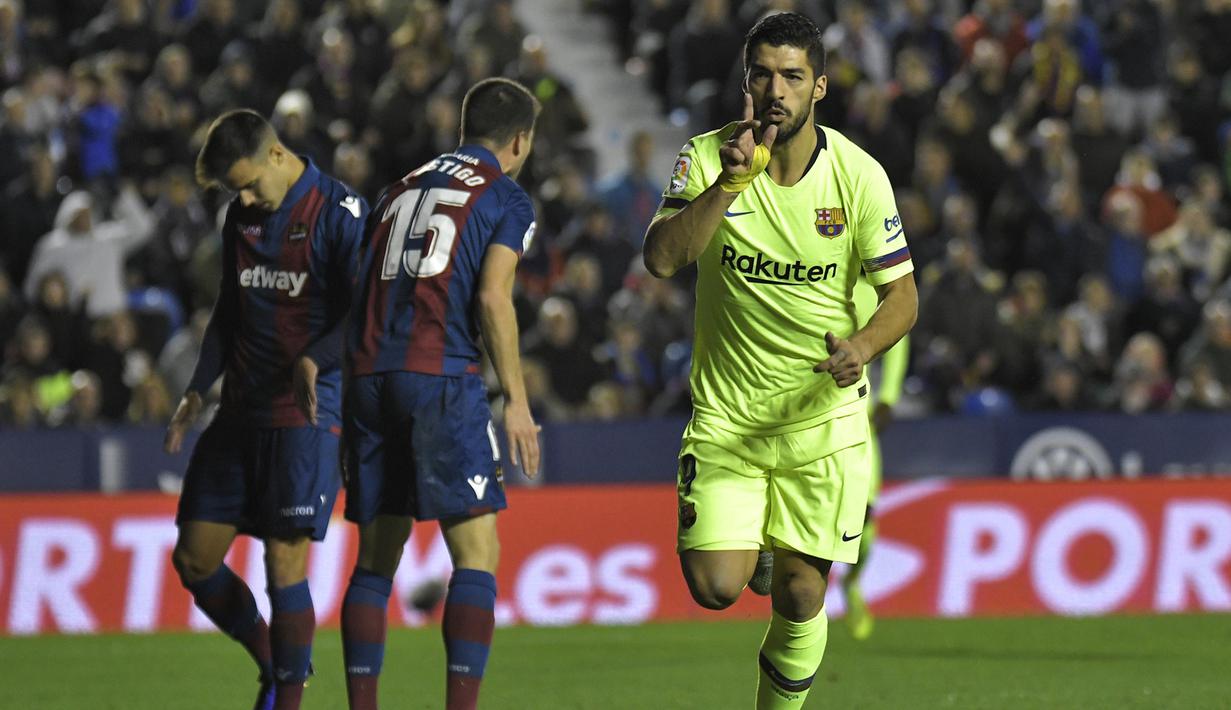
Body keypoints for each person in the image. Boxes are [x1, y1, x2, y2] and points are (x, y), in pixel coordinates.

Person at [642, 13, 917, 709]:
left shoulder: (858, 177)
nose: (776, 90)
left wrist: (861, 346)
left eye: (792, 76)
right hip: (728, 420)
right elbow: (661, 258)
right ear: (745, 81)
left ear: (818, 86)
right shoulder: (707, 157)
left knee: (800, 591)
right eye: (762, 74)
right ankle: (756, 546)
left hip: (820, 424)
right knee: (714, 588)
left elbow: (902, 296)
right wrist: (730, 185)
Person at [340, 78, 541, 710]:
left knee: (376, 559)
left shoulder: (396, 188)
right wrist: (517, 399)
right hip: (440, 376)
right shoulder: (505, 195)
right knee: (477, 554)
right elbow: (491, 295)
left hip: (370, 375)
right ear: (519, 140)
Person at [163, 109, 368, 710]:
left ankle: (287, 694)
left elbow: (363, 316)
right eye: (236, 190)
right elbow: (229, 310)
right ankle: (276, 664)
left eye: (250, 182)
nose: (246, 197)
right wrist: (198, 387)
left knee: (284, 563)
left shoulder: (339, 214)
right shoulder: (241, 217)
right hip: (238, 412)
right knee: (194, 559)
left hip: (305, 413)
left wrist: (314, 360)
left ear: (277, 154)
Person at [841, 275, 910, 641]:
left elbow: (897, 336)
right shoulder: (814, 274)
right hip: (802, 422)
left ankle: (851, 583)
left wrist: (889, 397)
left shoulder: (871, 290)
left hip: (857, 422)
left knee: (864, 523)